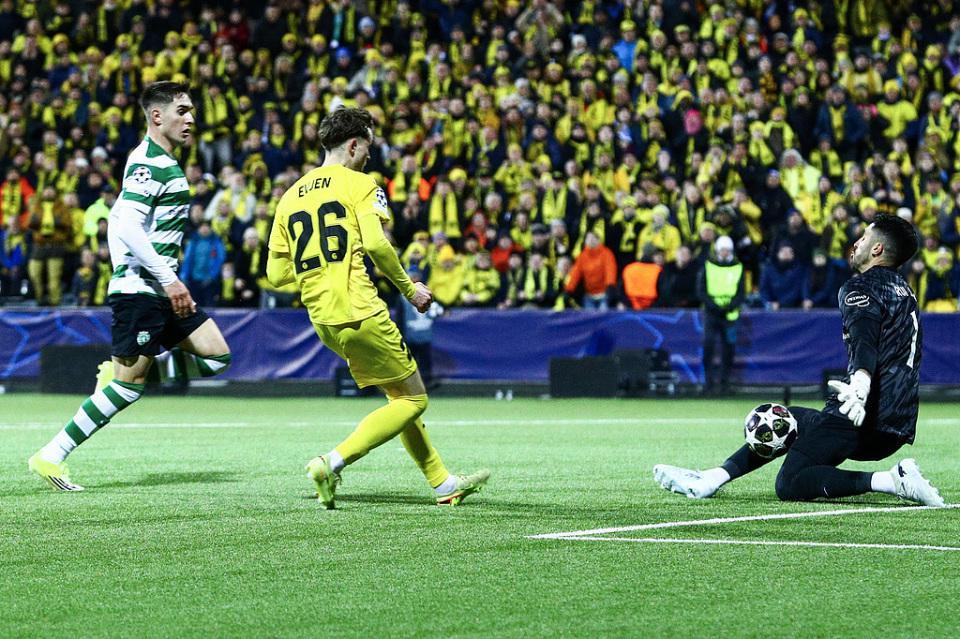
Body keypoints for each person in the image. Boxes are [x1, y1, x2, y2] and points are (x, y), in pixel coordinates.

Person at [266, 107, 488, 508]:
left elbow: (276, 274)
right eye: (368, 146)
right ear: (353, 144)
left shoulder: (289, 196)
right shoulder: (362, 184)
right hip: (360, 308)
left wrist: (321, 268)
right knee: (414, 401)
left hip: (323, 319)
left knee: (399, 397)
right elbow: (375, 244)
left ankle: (442, 483)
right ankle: (330, 463)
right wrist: (410, 290)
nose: (371, 155)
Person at [654, 215, 944, 507]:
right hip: (898, 420)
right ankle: (712, 478)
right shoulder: (904, 289)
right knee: (784, 419)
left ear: (877, 249)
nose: (856, 243)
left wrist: (861, 382)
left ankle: (892, 480)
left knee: (790, 482)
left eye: (864, 238)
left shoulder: (861, 287)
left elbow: (864, 339)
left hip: (864, 412)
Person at [28, 82, 233, 492]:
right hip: (144, 290)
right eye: (182, 110)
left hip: (159, 287)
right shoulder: (149, 163)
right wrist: (166, 278)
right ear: (157, 116)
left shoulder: (157, 162)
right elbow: (127, 227)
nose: (191, 118)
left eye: (192, 111)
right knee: (128, 388)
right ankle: (51, 455)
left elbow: (121, 218)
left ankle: (114, 374)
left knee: (216, 356)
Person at [698, 235, 745, 394]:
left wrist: (730, 306)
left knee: (729, 349)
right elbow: (701, 290)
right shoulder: (709, 266)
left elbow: (741, 292)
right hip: (712, 313)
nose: (724, 253)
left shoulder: (738, 267)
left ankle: (725, 383)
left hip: (730, 315)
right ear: (718, 250)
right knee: (708, 346)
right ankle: (708, 383)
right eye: (722, 250)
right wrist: (713, 306)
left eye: (727, 250)